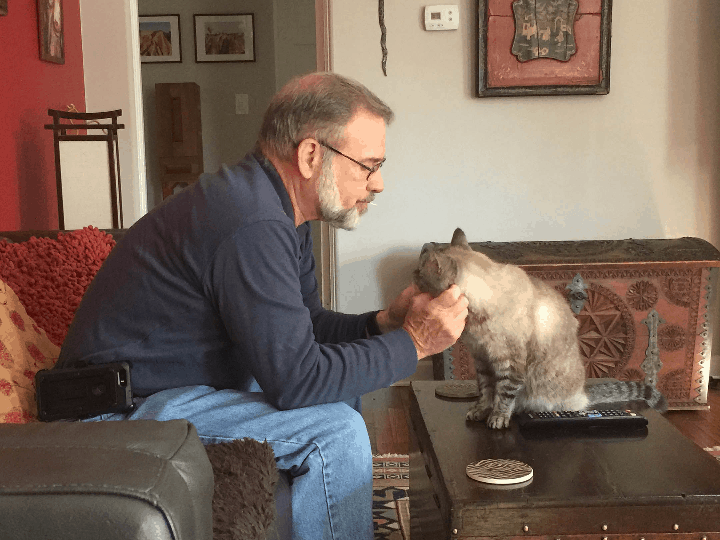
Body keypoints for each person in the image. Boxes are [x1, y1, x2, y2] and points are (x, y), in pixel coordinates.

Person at [56, 72, 468, 539]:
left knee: (341, 391)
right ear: (311, 154)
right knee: (335, 432)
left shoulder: (276, 211)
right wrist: (414, 344)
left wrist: (383, 323)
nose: (377, 184)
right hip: (114, 412)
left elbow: (305, 327)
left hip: (165, 386)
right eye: (368, 165)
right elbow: (299, 381)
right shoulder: (250, 221)